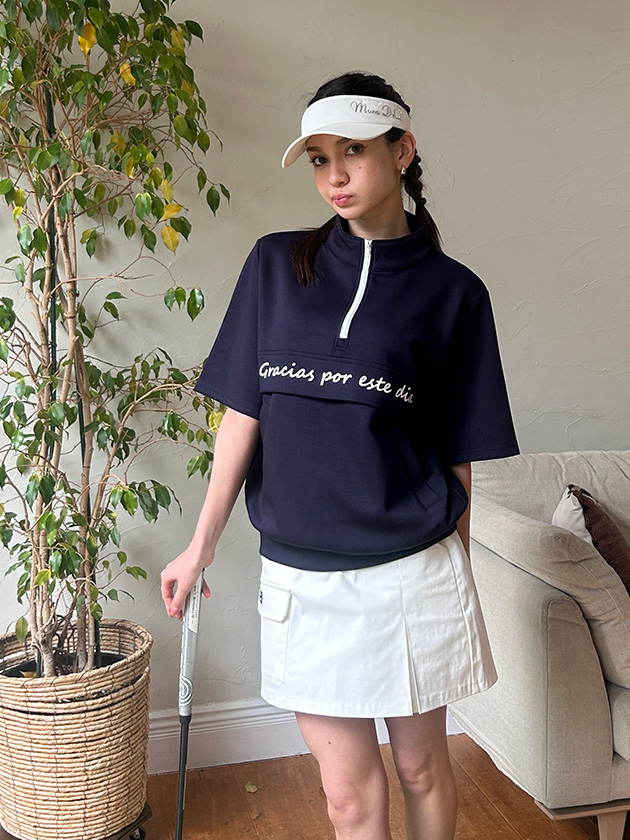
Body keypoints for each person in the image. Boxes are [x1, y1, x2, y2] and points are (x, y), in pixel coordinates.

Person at [161, 70, 520, 840]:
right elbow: (242, 415)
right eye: (320, 158)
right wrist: (200, 546)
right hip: (301, 582)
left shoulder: (455, 293)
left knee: (423, 769)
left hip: (411, 573)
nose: (336, 175)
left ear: (402, 150)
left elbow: (460, 452)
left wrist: (458, 570)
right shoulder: (274, 266)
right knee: (348, 800)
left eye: (354, 150)